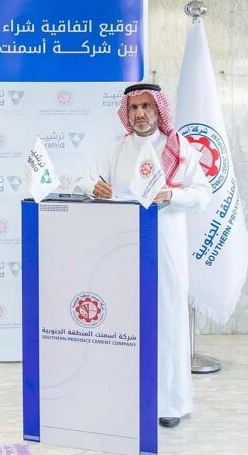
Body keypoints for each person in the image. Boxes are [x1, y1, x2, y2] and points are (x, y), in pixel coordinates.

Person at [76, 83, 211, 428]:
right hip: (125, 247)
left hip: (165, 247)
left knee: (168, 320)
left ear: (158, 110)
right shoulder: (118, 149)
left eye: (146, 106)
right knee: (126, 321)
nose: (140, 114)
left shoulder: (178, 148)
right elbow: (83, 179)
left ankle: (169, 404)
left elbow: (202, 194)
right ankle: (127, 400)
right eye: (134, 108)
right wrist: (93, 186)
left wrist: (172, 195)